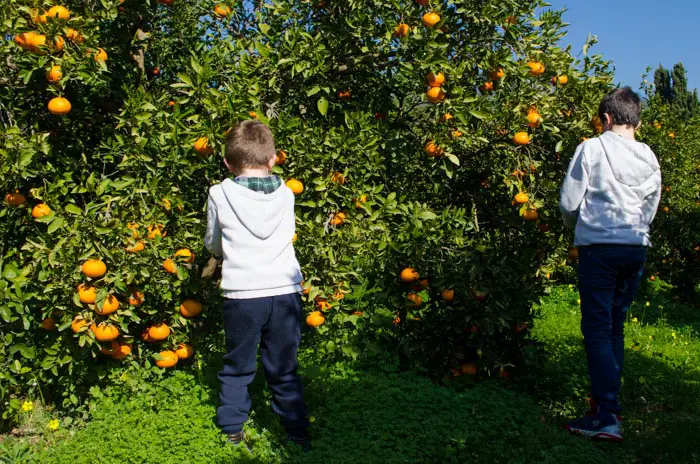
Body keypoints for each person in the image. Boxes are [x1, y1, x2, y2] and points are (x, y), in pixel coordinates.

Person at [559, 87, 662, 442]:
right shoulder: (649, 156)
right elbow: (649, 208)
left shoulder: (591, 148)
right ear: (638, 121)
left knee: (598, 330)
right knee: (615, 327)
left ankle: (605, 415)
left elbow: (570, 203)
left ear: (605, 118)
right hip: (634, 247)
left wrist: (581, 230)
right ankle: (608, 406)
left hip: (599, 248)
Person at [204, 120, 310, 450]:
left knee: (238, 365)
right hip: (284, 291)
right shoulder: (287, 193)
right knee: (285, 366)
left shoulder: (219, 193)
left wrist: (226, 252)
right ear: (273, 158)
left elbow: (213, 241)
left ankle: (232, 429)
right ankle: (297, 433)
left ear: (227, 163)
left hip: (242, 293)